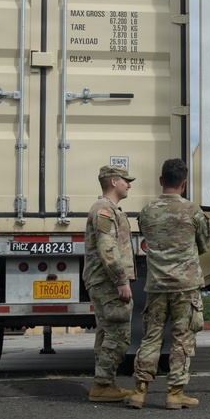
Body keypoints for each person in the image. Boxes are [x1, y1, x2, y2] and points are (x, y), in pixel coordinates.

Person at [127, 158, 210, 410]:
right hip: (185, 287)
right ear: (183, 183)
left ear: (161, 181)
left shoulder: (147, 211)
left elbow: (145, 237)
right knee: (182, 338)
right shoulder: (193, 211)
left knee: (151, 338)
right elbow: (204, 245)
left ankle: (139, 392)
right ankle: (175, 394)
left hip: (156, 286)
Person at [84, 164, 137, 402]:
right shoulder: (104, 209)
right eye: (126, 180)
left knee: (106, 332)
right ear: (113, 182)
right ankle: (102, 384)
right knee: (118, 333)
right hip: (108, 282)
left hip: (102, 281)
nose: (129, 184)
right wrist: (121, 280)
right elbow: (108, 249)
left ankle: (106, 383)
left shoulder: (107, 209)